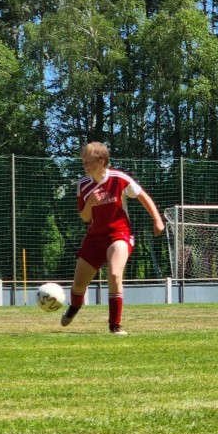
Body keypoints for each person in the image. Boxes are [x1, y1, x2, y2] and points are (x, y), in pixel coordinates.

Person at [60, 142, 165, 335]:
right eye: (83, 161)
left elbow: (142, 195)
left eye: (88, 161)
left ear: (101, 161)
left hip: (119, 234)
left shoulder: (119, 178)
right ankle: (75, 307)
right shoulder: (83, 185)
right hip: (94, 238)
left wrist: (157, 219)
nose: (85, 165)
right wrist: (90, 204)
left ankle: (115, 325)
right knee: (79, 285)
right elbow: (85, 217)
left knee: (115, 274)